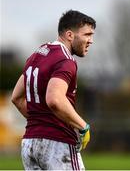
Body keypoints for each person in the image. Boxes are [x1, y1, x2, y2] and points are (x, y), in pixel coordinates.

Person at [11, 9, 96, 170]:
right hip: (57, 145)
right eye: (87, 34)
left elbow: (16, 97)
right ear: (70, 35)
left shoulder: (37, 55)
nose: (91, 40)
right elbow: (55, 99)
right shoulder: (66, 60)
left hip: (29, 144)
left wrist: (40, 124)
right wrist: (83, 126)